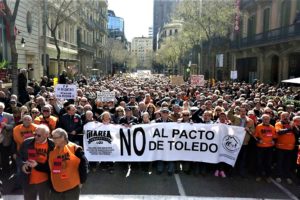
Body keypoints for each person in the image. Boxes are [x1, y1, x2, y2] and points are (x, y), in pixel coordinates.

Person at [49, 128, 88, 200]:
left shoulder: (75, 148)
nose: (53, 140)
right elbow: (53, 168)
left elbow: (84, 165)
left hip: (72, 186)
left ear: (63, 137)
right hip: (56, 186)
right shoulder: (52, 150)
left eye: (55, 138)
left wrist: (82, 181)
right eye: (52, 137)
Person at [18, 124, 55, 200]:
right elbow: (19, 157)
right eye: (35, 134)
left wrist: (37, 166)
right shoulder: (26, 143)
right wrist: (22, 165)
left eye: (39, 135)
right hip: (28, 180)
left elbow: (55, 166)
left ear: (47, 135)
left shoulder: (53, 145)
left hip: (45, 181)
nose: (36, 137)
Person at [254, 114, 277, 183]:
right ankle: (259, 175)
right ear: (262, 119)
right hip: (260, 148)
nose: (266, 120)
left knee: (268, 163)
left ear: (269, 120)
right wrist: (258, 140)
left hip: (269, 148)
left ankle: (268, 176)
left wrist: (274, 141)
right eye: (264, 119)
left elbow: (275, 137)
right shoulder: (258, 126)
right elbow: (255, 136)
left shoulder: (272, 127)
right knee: (259, 162)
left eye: (267, 119)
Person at [275, 112, 296, 184]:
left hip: (290, 148)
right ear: (281, 117)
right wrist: (290, 129)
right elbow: (279, 132)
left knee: (288, 163)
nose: (286, 118)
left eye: (287, 116)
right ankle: (278, 176)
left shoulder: (292, 123)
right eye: (284, 116)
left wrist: (292, 127)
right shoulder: (278, 123)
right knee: (279, 162)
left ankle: (287, 176)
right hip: (281, 147)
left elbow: (297, 132)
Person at [0, 102, 15, 175]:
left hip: (5, 140)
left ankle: (6, 172)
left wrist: (6, 126)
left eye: (1, 108)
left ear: (3, 108)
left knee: (5, 157)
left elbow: (12, 125)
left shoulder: (9, 116)